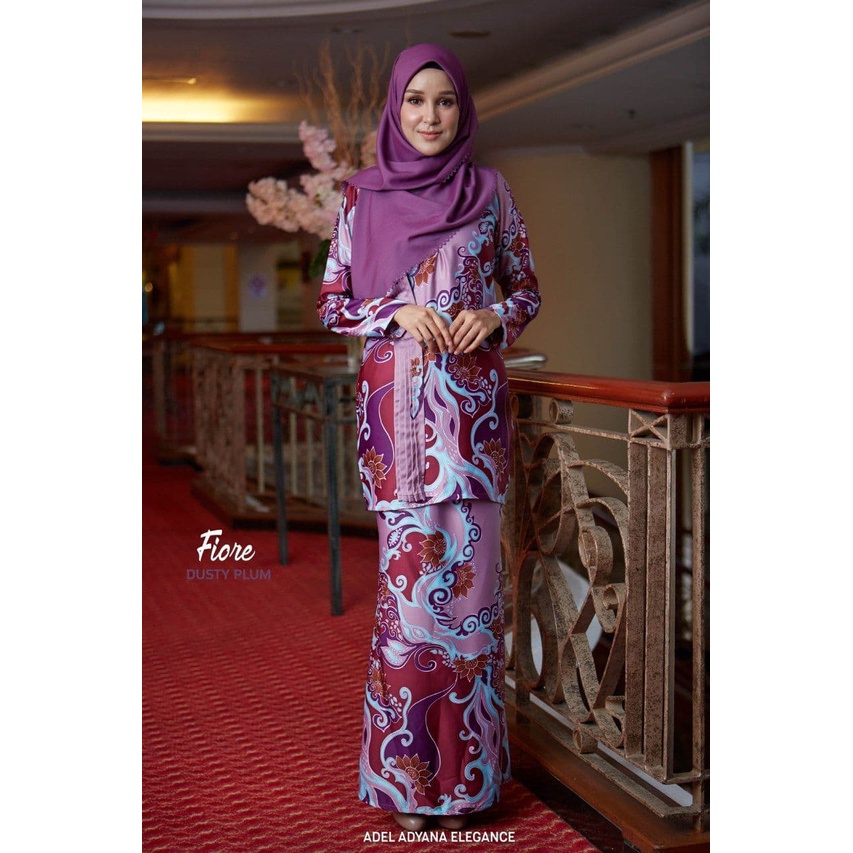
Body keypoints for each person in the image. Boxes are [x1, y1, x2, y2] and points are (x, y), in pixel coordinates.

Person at [317, 43, 541, 833]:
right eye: (415, 100)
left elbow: (526, 288)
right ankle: (406, 786)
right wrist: (393, 311)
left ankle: (466, 784)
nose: (430, 115)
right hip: (398, 426)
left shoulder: (490, 192)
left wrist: (494, 316)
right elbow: (333, 302)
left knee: (471, 613)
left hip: (472, 426)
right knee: (408, 613)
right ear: (394, 107)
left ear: (462, 108)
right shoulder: (363, 195)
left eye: (444, 100)